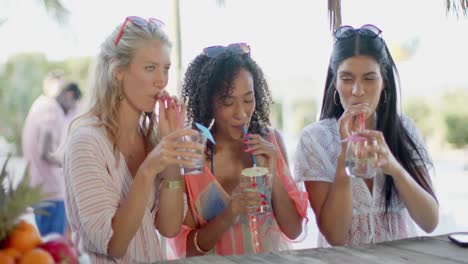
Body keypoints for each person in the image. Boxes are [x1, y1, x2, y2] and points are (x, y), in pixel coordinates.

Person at [63, 16, 204, 263]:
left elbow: (169, 227)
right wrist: (149, 168)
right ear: (118, 71)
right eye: (150, 68)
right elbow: (113, 244)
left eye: (166, 68)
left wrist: (171, 153)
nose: (161, 80)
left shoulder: (150, 137)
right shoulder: (87, 142)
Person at [294, 24, 439, 247]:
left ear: (384, 83)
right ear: (335, 82)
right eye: (347, 78)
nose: (357, 90)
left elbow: (430, 221)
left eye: (369, 78)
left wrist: (393, 166)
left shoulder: (404, 129)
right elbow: (335, 236)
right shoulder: (315, 139)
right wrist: (345, 155)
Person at [169, 43, 309, 257]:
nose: (241, 113)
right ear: (208, 102)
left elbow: (294, 229)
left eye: (248, 99)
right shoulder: (192, 156)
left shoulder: (271, 142)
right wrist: (230, 212)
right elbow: (187, 249)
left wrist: (273, 177)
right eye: (228, 102)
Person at [22, 70, 82, 237]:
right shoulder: (51, 109)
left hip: (40, 190)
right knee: (53, 246)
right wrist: (73, 163)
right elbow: (47, 151)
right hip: (52, 192)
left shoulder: (39, 105)